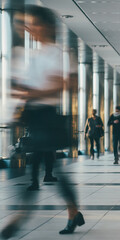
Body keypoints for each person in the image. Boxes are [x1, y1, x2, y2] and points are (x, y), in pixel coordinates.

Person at [1, 6, 84, 238]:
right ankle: (73, 212)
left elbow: (62, 86)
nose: (30, 28)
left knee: (47, 169)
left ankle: (20, 218)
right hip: (35, 118)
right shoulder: (31, 55)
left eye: (34, 23)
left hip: (48, 117)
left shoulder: (60, 52)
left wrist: (31, 92)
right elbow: (27, 87)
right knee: (38, 168)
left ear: (47, 26)